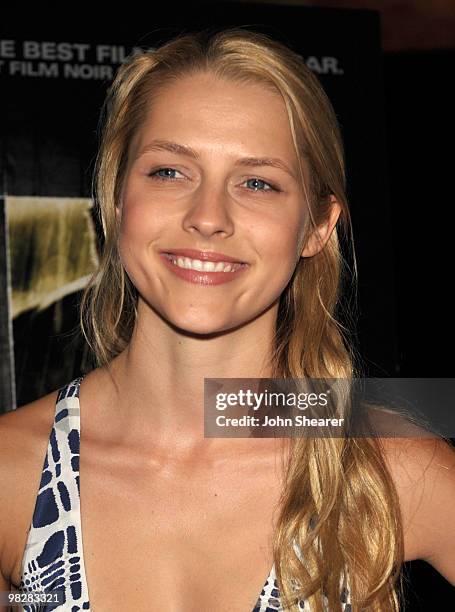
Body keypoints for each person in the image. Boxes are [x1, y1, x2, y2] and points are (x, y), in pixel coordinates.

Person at [0, 27, 454, 612]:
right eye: (169, 171)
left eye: (257, 182)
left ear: (316, 226)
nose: (208, 216)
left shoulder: (383, 466)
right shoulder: (12, 470)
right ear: (116, 200)